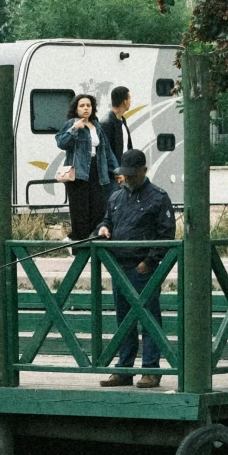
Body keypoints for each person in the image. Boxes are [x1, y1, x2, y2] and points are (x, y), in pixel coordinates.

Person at [98, 148, 174, 388]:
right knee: (124, 320)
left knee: (149, 319)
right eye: (125, 174)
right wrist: (102, 228)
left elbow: (166, 234)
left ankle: (151, 369)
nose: (128, 178)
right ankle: (125, 368)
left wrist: (149, 262)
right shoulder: (115, 197)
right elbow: (107, 220)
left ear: (144, 170)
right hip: (119, 267)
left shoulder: (158, 197)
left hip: (143, 269)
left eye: (132, 173)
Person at [55, 94, 112, 243]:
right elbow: (61, 142)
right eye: (82, 105)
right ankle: (77, 247)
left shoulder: (96, 126)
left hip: (97, 172)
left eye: (88, 105)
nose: (86, 108)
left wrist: (116, 170)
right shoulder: (72, 123)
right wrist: (74, 129)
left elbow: (106, 150)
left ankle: (72, 239)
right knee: (80, 213)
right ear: (76, 108)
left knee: (99, 211)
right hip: (78, 173)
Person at [101, 85, 135, 168]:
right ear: (125, 101)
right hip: (114, 175)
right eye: (129, 99)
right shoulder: (107, 123)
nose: (131, 101)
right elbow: (106, 153)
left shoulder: (122, 120)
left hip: (124, 171)